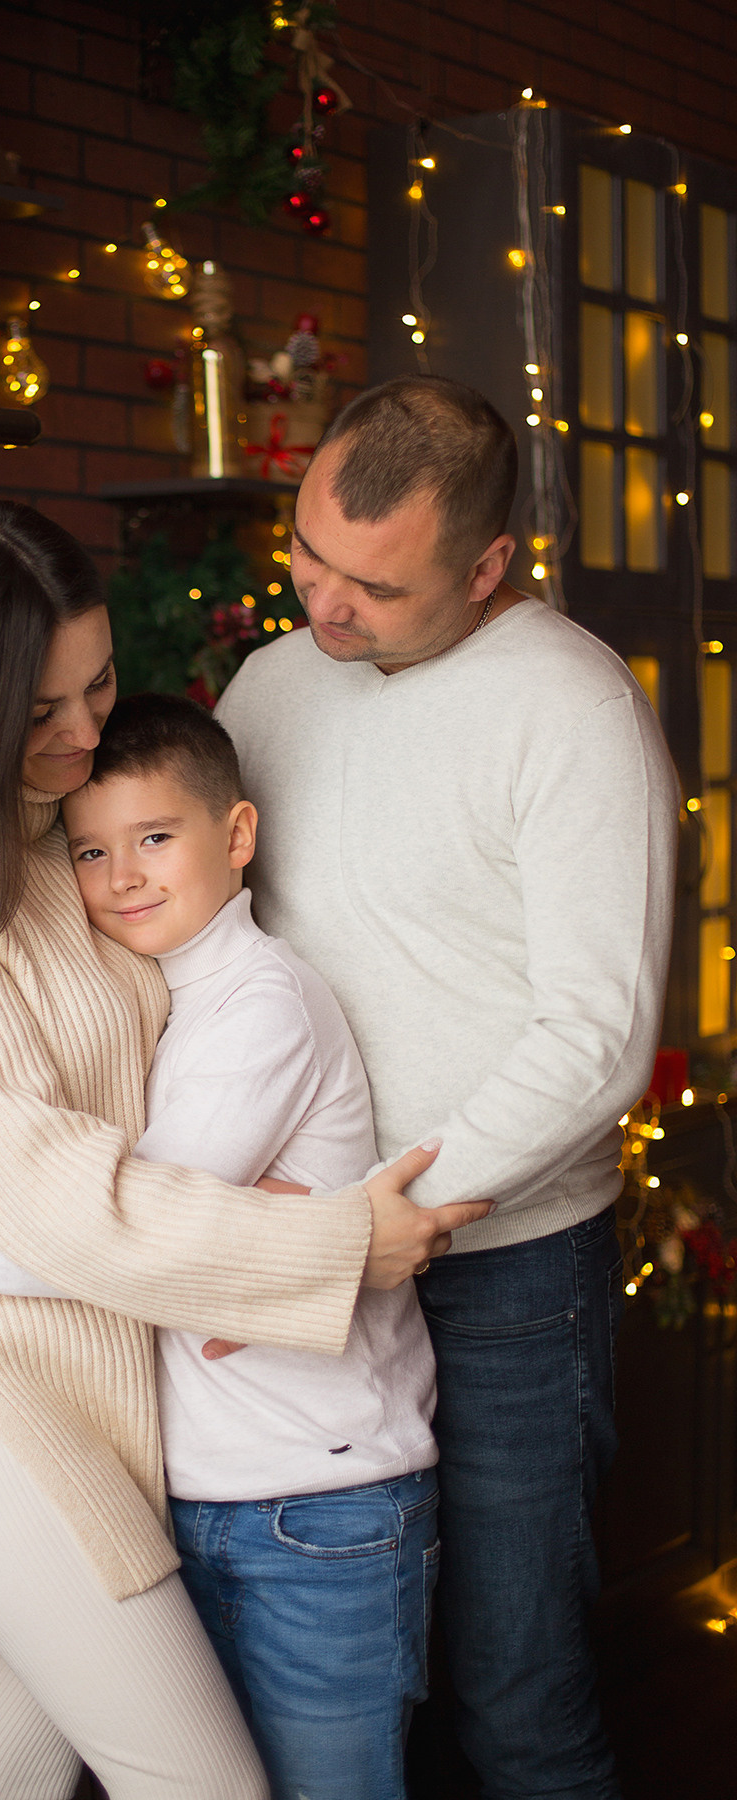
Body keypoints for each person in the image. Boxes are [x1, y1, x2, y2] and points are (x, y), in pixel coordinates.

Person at [0, 498, 489, 1800]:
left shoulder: (57, 844)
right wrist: (335, 1241)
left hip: (96, 1384)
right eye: (40, 710)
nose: (83, 731)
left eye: (97, 684)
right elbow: (82, 1213)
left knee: (0, 1782)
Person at [213, 375, 681, 1800]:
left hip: (504, 1281)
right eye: (311, 558)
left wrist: (390, 1211)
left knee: (516, 1698)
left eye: (378, 587)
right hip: (299, 1259)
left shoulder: (575, 709)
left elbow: (599, 1033)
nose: (327, 606)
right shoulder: (270, 685)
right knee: (343, 1696)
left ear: (487, 567)